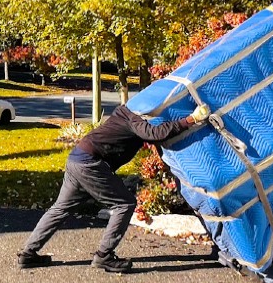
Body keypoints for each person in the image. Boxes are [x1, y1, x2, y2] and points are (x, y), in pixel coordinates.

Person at [17, 101, 210, 273]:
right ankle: (104, 256)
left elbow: (146, 135)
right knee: (124, 204)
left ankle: (28, 253)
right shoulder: (135, 116)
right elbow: (155, 133)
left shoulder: (125, 112)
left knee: (60, 209)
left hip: (76, 159)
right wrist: (191, 119)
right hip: (90, 164)